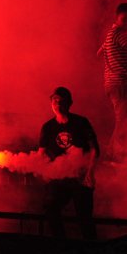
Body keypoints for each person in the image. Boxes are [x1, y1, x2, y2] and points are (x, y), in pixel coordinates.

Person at [38, 87, 99, 240]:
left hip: (80, 177)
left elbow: (94, 150)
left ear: (69, 103)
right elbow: (41, 154)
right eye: (54, 100)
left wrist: (90, 172)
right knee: (50, 208)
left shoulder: (81, 123)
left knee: (84, 218)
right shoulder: (47, 127)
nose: (57, 104)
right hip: (58, 178)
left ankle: (91, 250)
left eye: (61, 101)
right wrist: (41, 169)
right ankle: (61, 245)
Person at [97, 2, 127, 156]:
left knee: (124, 118)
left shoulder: (110, 35)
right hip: (120, 83)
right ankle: (113, 152)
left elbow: (99, 52)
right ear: (116, 18)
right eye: (124, 19)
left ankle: (115, 150)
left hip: (112, 84)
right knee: (124, 120)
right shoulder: (120, 34)